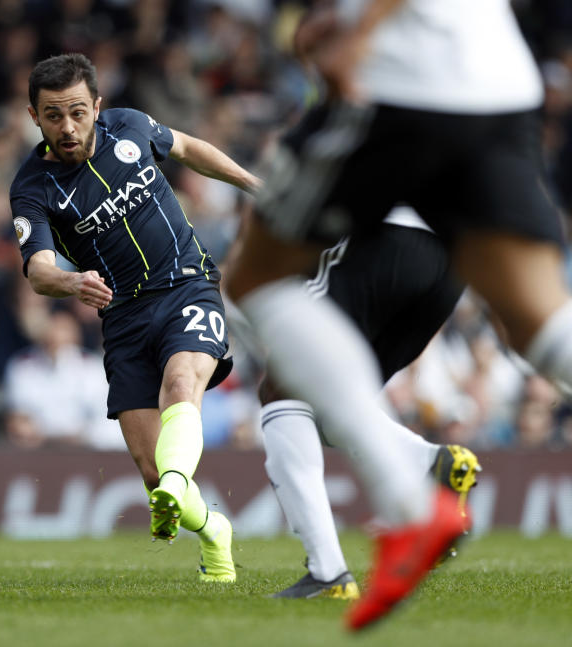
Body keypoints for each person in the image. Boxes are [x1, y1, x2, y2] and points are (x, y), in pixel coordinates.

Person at [224, 0, 567, 630]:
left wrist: (361, 30)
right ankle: (420, 465)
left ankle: (382, 524)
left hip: (402, 91)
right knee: (539, 319)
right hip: (499, 88)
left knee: (254, 287)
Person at [9, 53, 259, 582]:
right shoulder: (32, 187)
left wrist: (253, 185)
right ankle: (214, 528)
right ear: (34, 116)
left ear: (97, 107)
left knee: (182, 380)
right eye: (53, 116)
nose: (68, 127)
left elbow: (188, 149)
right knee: (152, 472)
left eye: (78, 112)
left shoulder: (131, 126)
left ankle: (176, 485)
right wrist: (72, 282)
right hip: (122, 319)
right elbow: (38, 269)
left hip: (186, 285)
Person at [253, 206, 482, 600]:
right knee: (330, 400)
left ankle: (327, 574)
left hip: (384, 238)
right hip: (455, 263)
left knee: (280, 385)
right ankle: (432, 462)